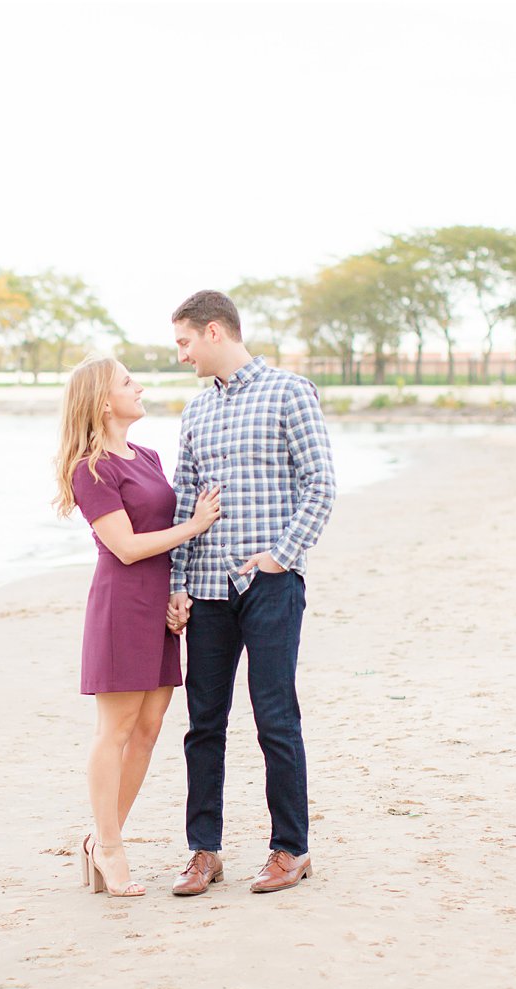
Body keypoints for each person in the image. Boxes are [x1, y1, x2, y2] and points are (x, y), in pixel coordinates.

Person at [164, 290, 337, 896]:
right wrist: (176, 584)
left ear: (215, 332)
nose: (181, 355)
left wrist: (279, 558)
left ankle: (291, 848)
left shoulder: (290, 392)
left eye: (184, 342)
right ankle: (203, 852)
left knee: (274, 716)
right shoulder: (194, 413)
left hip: (269, 585)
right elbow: (185, 502)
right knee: (203, 724)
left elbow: (321, 485)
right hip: (208, 589)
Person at [54, 355, 221, 898]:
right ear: (104, 401)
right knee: (116, 730)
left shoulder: (147, 456)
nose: (140, 386)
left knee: (149, 729)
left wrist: (177, 588)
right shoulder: (92, 468)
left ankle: (100, 839)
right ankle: (109, 846)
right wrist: (196, 526)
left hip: (157, 605)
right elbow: (125, 547)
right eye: (129, 382)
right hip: (122, 605)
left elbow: (157, 533)